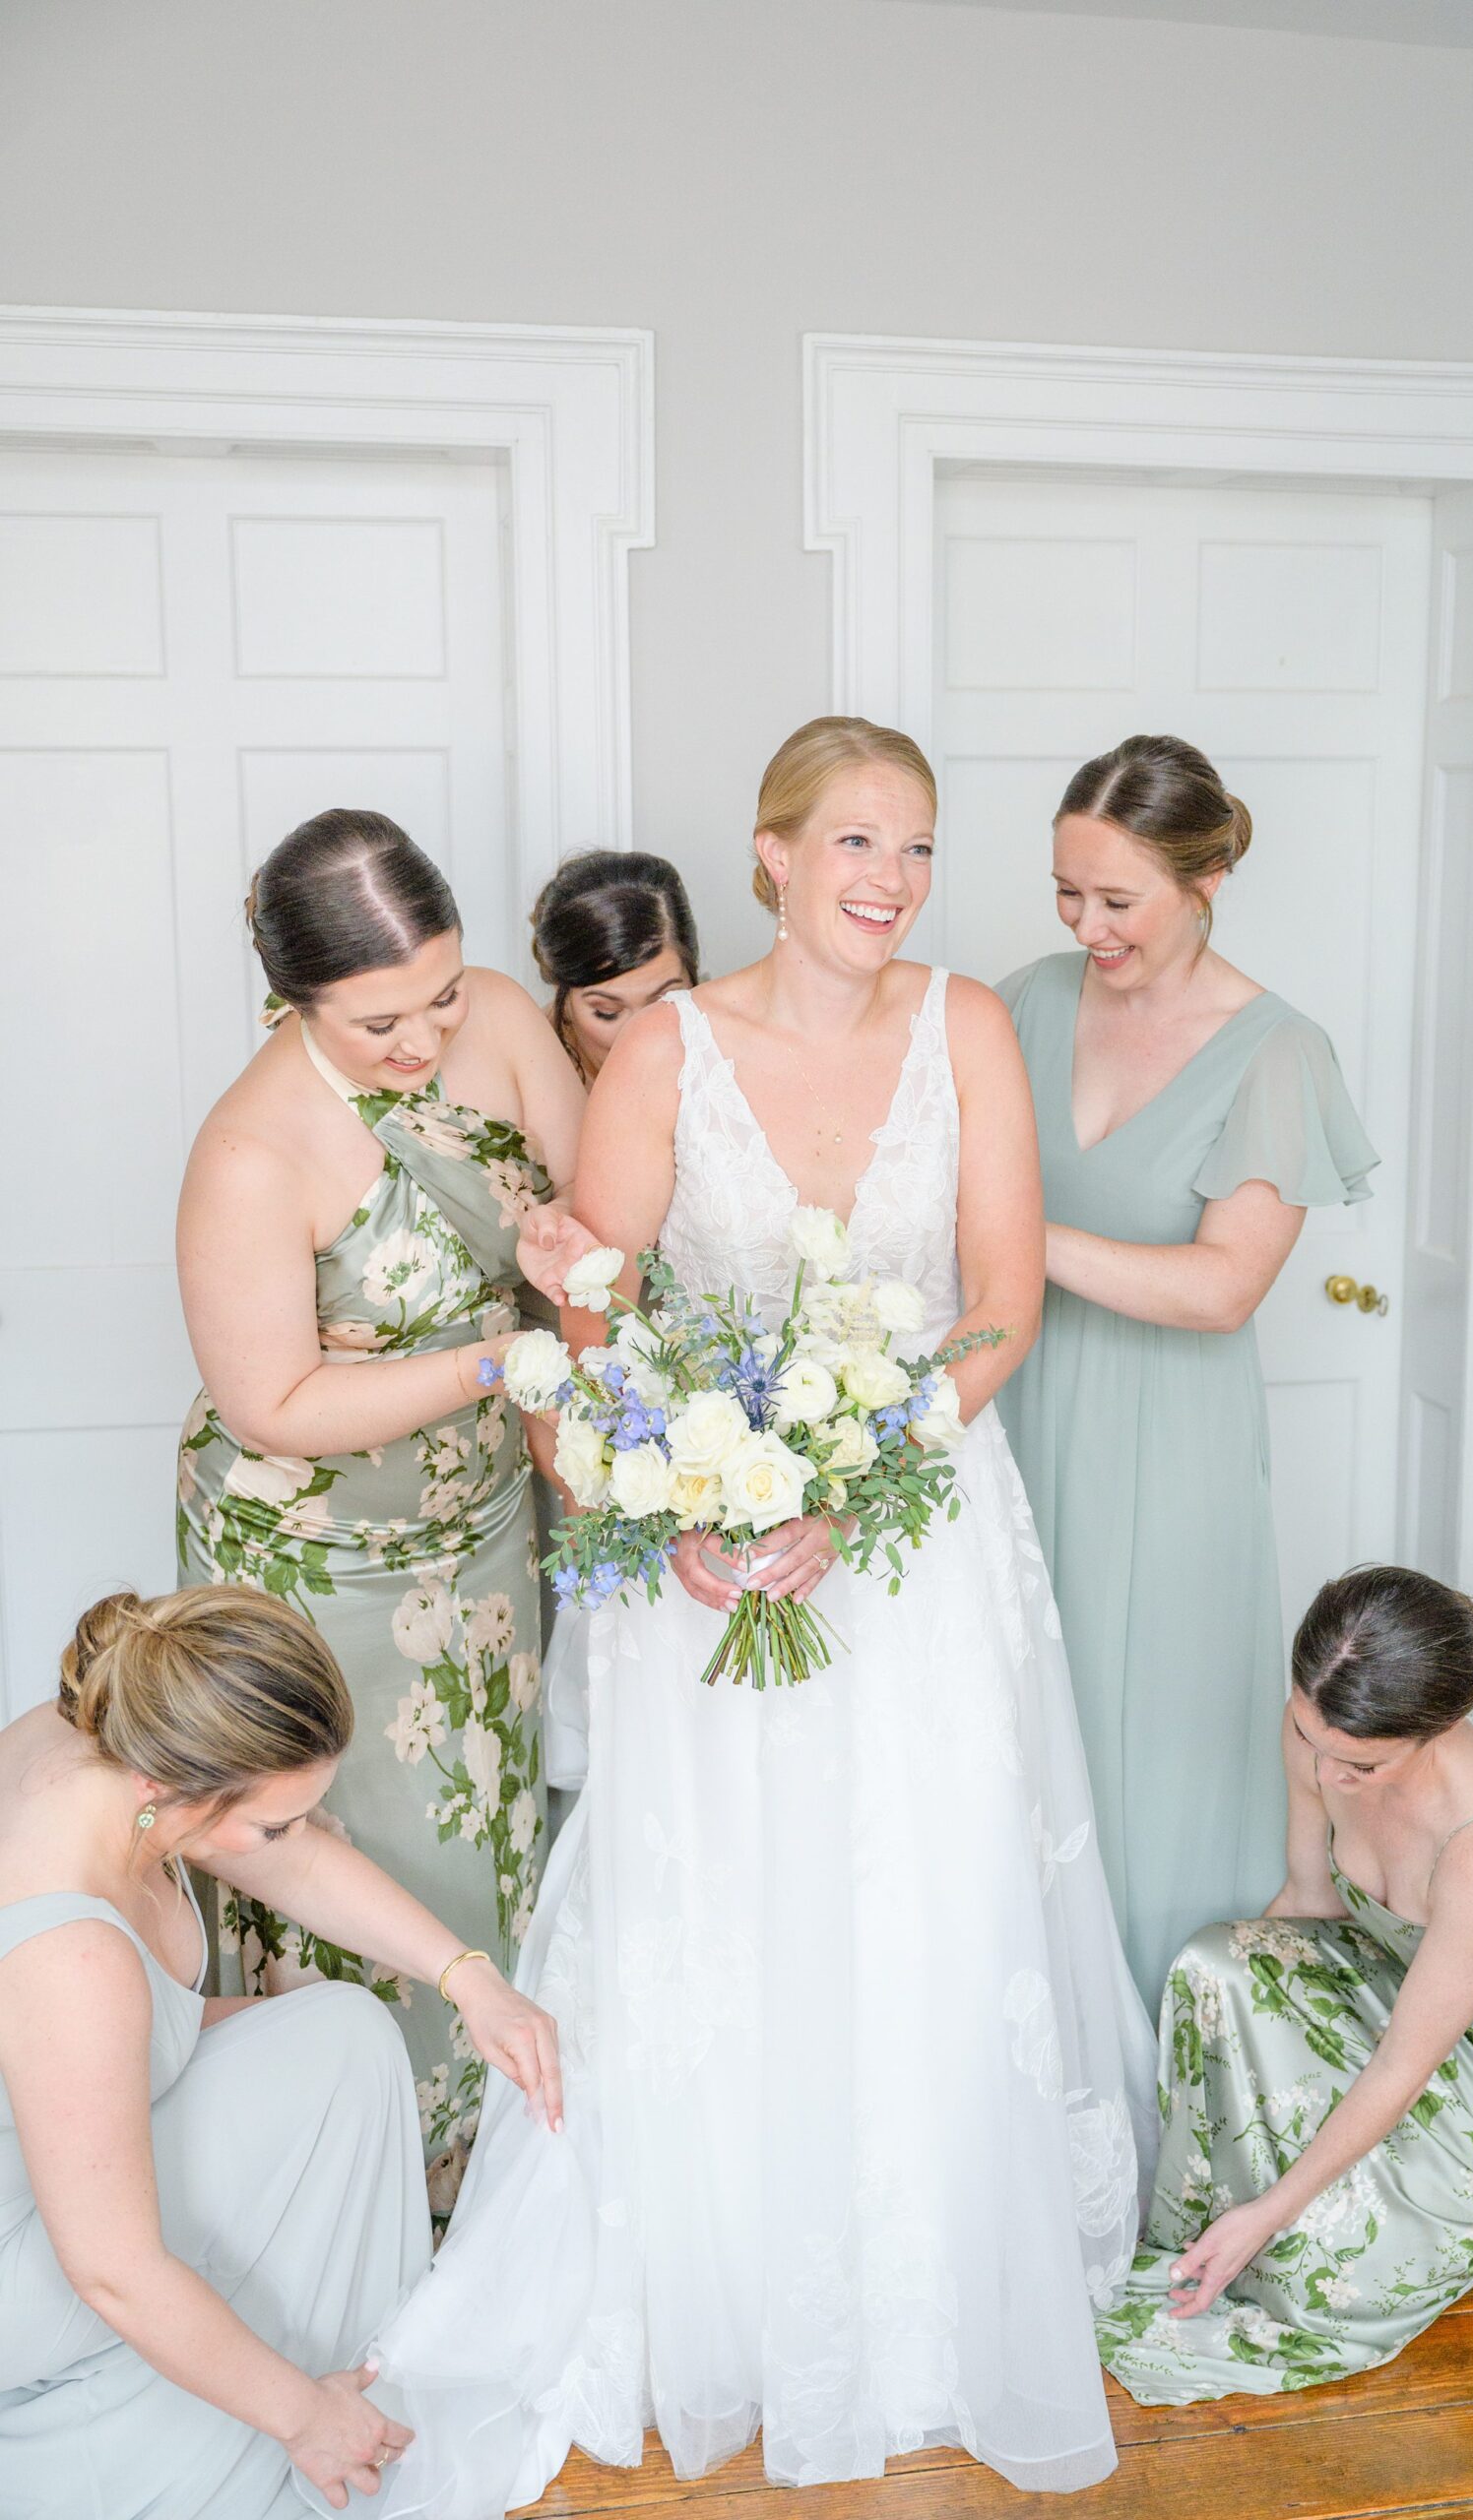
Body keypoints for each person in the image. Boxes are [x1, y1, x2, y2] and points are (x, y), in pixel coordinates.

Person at [361, 717, 1159, 2510]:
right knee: (723, 1896)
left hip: (914, 1540)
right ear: (773, 856)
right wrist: (689, 1500)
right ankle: (719, 2289)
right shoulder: (660, 1049)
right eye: (856, 844)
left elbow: (1000, 1304)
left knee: (924, 1890)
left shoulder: (966, 1031)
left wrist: (856, 1471)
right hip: (699, 1561)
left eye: (918, 849)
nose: (888, 881)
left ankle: (928, 2302)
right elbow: (593, 1315)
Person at [175, 808, 584, 2205]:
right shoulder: (251, 1152)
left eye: (442, 999)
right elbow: (273, 1403)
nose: (422, 1046)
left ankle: (500, 2175)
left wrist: (563, 1260)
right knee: (346, 1856)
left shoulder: (512, 1027)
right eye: (374, 1025)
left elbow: (595, 1224)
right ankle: (368, 2194)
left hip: (480, 1525)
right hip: (315, 1561)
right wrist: (483, 1357)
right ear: (291, 1001)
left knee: (490, 1835)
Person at [0, 1586, 562, 2520]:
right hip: (37, 2271)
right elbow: (112, 2269)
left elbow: (285, 1865)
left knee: (340, 2038)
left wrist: (472, 1982)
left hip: (51, 2159)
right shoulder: (72, 1954)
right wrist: (302, 2417)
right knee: (322, 2069)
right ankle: (286, 2418)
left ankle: (333, 2371)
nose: (294, 1841)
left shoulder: (106, 1727)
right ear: (168, 1790)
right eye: (274, 1821)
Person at [996, 736, 1377, 2007]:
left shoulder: (1274, 1051)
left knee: (1145, 1741)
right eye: (1067, 891)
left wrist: (1018, 1239)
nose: (1083, 925)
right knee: (1008, 1721)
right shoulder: (1025, 1002)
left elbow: (1220, 1288)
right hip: (1011, 1414)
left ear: (1205, 876)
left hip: (1166, 1445)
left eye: (1117, 901)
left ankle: (1165, 2053)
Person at [1097, 1564, 1473, 2404]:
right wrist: (1248, 2035)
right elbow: (1305, 1905)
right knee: (1216, 1962)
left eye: (1360, 1767)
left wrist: (1269, 2210)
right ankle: (1342, 2205)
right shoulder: (1323, 1731)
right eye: (1309, 1738)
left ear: (1438, 1728)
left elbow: (1403, 2067)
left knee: (1299, 2277)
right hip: (1416, 1994)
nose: (1327, 1777)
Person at [527, 850, 701, 1790]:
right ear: (560, 1006)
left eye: (663, 997)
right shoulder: (539, 1112)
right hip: (580, 1453)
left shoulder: (727, 1077)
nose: (640, 1035)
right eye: (606, 1011)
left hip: (713, 1439)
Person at [531, 848, 700, 1087]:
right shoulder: (530, 1080)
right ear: (563, 998)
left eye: (665, 1004)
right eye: (607, 1012)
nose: (638, 1038)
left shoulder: (731, 1046)